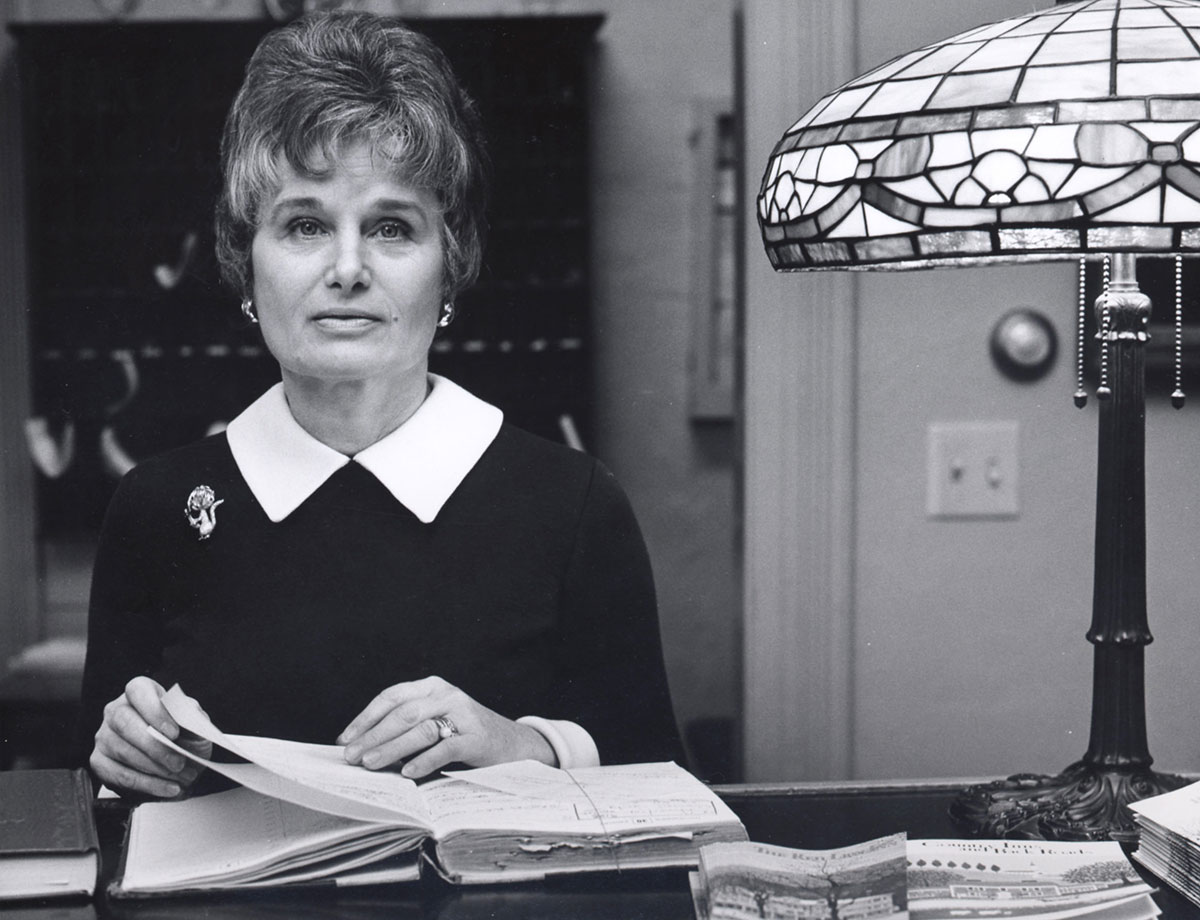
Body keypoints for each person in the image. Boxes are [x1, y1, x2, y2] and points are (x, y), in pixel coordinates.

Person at [77, 9, 683, 800]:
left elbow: (661, 793)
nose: (348, 268)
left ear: (451, 261)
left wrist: (520, 743)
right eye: (304, 225)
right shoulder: (153, 508)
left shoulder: (574, 507)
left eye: (393, 227)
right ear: (243, 261)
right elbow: (101, 797)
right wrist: (119, 757)